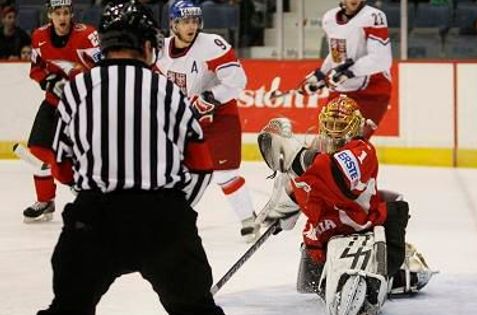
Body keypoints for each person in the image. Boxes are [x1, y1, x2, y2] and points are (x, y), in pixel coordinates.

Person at [36, 2, 224, 315]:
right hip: (163, 220)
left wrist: (92, 189)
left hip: (94, 220)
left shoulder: (75, 90)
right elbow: (201, 164)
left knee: (68, 308)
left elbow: (62, 165)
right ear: (148, 45)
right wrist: (176, 206)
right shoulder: (168, 91)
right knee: (196, 309)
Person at [257, 95, 434, 315]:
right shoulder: (313, 158)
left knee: (387, 282)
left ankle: (396, 271)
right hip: (322, 243)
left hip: (362, 232)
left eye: (340, 126)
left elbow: (340, 179)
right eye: (330, 126)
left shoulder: (361, 150)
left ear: (354, 127)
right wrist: (280, 211)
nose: (334, 132)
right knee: (308, 283)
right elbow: (299, 190)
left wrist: (299, 158)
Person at [156, 0, 259, 242]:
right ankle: (174, 218)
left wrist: (210, 97)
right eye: (185, 21)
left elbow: (238, 81)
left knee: (225, 173)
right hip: (184, 119)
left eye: (194, 20)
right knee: (175, 172)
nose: (191, 26)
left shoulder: (212, 45)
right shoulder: (161, 49)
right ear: (173, 24)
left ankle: (248, 219)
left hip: (219, 117)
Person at [23, 0, 101, 223]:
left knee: (89, 156)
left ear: (71, 14)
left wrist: (79, 80)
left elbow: (103, 69)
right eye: (57, 13)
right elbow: (36, 69)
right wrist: (49, 81)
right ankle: (45, 199)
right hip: (54, 102)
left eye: (66, 12)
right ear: (50, 15)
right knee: (38, 150)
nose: (62, 17)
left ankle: (92, 200)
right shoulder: (38, 36)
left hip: (83, 105)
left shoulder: (87, 36)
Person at [300, 0, 392, 139]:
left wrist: (350, 72)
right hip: (342, 90)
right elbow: (337, 54)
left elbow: (381, 59)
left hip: (372, 90)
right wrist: (320, 75)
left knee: (352, 144)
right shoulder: (330, 19)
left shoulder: (373, 17)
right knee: (327, 141)